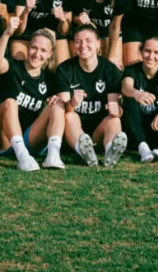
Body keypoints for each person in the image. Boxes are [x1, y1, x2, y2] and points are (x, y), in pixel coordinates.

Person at [43, 25, 126, 169]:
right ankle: (83, 150)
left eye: (88, 41)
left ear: (98, 44)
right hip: (74, 132)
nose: (83, 46)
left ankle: (110, 152)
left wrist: (117, 110)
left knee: (114, 119)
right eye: (78, 41)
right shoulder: (65, 69)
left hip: (99, 132)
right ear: (74, 45)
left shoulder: (109, 69)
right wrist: (73, 102)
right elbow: (65, 110)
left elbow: (114, 109)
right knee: (70, 116)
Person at [0, 26, 59, 172]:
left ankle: (54, 155)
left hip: (29, 138)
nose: (37, 54)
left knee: (57, 103)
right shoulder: (13, 67)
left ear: (50, 54)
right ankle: (22, 156)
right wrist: (6, 33)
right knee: (10, 102)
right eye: (34, 48)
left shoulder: (50, 79)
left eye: (43, 50)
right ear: (27, 48)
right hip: (3, 139)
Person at [66, 0, 129, 67]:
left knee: (113, 66)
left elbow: (114, 27)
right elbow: (73, 17)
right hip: (86, 30)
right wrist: (80, 20)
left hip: (109, 33)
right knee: (82, 64)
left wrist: (112, 54)